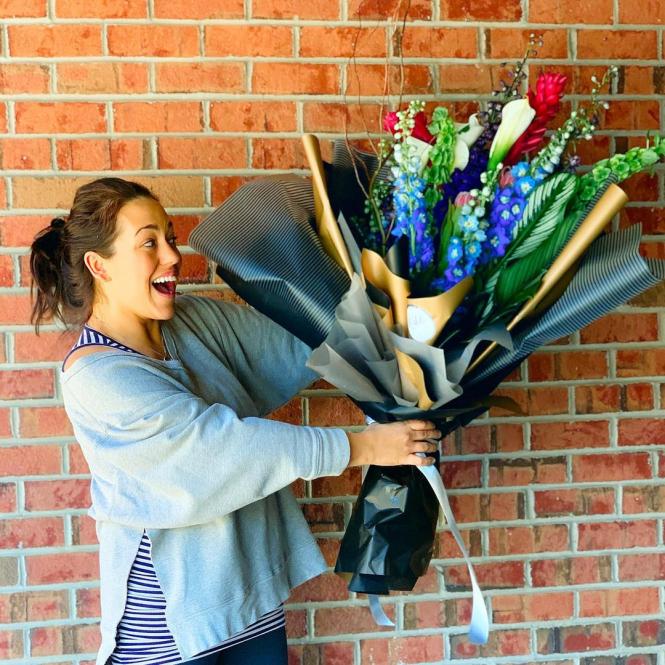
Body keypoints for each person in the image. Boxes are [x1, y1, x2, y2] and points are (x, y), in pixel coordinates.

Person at [29, 177, 441, 665]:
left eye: (171, 237)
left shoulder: (189, 321)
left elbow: (297, 340)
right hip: (173, 630)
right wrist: (365, 446)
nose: (172, 256)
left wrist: (395, 305)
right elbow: (216, 451)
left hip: (250, 603)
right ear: (100, 266)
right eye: (149, 243)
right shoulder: (96, 376)